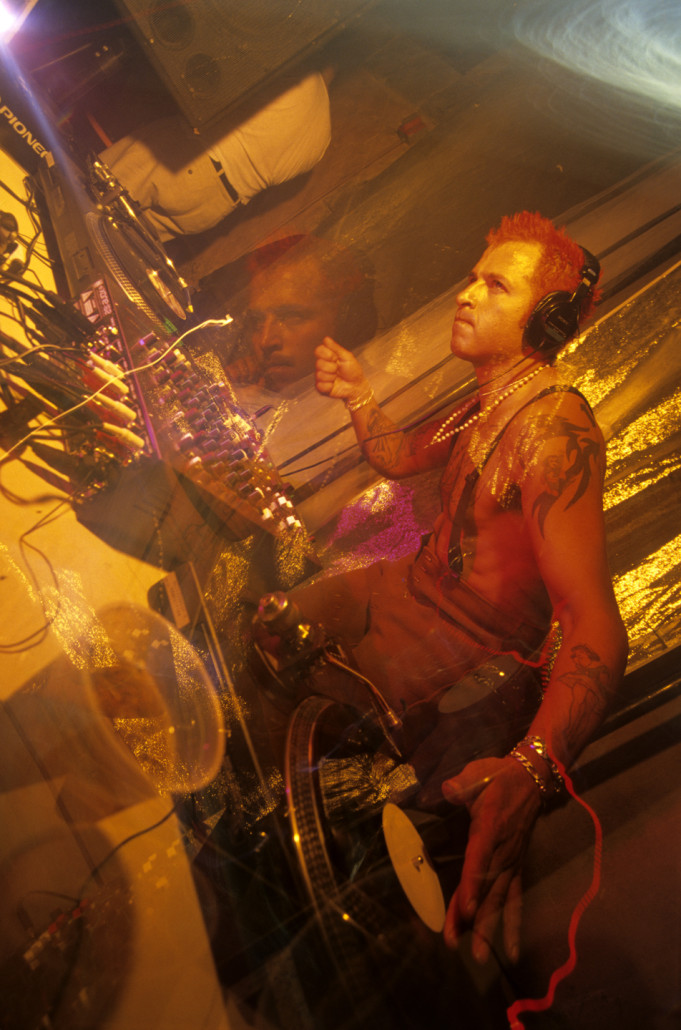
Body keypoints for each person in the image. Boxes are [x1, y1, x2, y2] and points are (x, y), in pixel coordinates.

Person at [285, 211, 628, 966]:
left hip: (456, 652)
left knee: (302, 777)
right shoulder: (487, 399)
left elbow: (595, 625)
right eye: (473, 277)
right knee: (266, 635)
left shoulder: (555, 430)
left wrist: (532, 769)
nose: (466, 294)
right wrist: (357, 394)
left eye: (495, 285)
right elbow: (402, 455)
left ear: (547, 318)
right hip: (401, 590)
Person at [100, 72, 332, 241]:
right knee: (118, 244)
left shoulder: (302, 77)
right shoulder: (323, 141)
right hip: (213, 208)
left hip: (191, 160)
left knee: (93, 196)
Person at [221, 234, 377, 395]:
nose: (265, 341)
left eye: (291, 317)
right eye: (258, 322)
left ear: (347, 320)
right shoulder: (250, 399)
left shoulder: (383, 398)